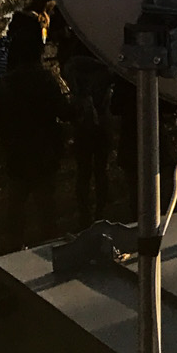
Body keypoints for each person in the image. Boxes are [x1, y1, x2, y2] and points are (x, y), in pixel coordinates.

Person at [0, 11, 70, 247]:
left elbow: (2, 121)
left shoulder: (7, 81)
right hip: (44, 149)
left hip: (17, 150)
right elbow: (63, 111)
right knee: (45, 203)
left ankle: (14, 247)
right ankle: (50, 247)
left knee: (17, 202)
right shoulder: (44, 79)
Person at [58, 30, 114, 228]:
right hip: (102, 121)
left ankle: (84, 213)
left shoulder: (72, 68)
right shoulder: (105, 67)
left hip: (81, 122)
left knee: (83, 171)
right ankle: (101, 211)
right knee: (101, 169)